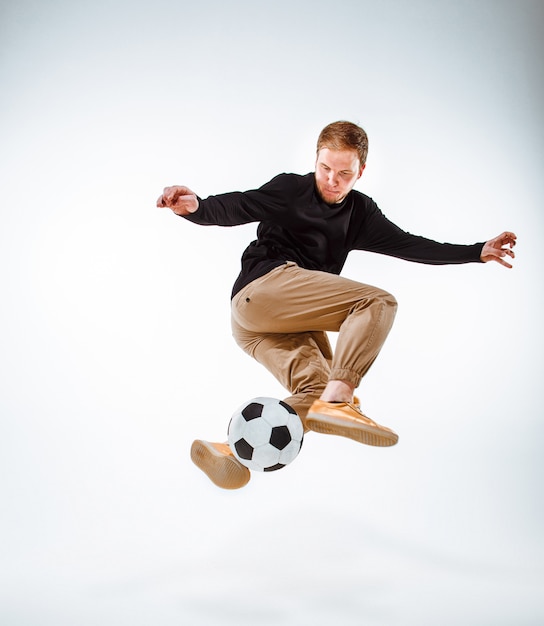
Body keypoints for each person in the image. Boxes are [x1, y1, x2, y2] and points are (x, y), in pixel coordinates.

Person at [157, 120, 516, 490]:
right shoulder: (290, 190)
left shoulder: (361, 215)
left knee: (314, 393)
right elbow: (237, 205)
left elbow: (410, 245)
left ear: (361, 171)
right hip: (262, 290)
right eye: (325, 168)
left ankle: (231, 450)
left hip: (259, 330)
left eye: (344, 173)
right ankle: (340, 399)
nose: (332, 180)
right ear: (315, 159)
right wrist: (196, 207)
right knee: (376, 302)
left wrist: (476, 252)